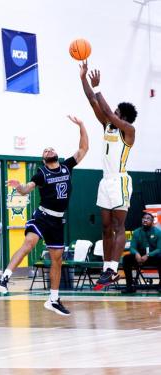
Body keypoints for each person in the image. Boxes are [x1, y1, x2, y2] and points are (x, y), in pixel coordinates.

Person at [0, 116, 89, 316]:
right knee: (29, 244)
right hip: (42, 217)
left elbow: (83, 149)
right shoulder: (41, 173)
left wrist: (81, 126)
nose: (49, 150)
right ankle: (5, 278)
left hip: (58, 220)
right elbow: (26, 189)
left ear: (56, 154)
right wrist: (18, 186)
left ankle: (53, 299)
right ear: (43, 159)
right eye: (45, 150)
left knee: (57, 260)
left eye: (51, 148)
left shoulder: (67, 166)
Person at [80, 62, 138, 290]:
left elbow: (107, 112)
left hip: (120, 181)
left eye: (116, 112)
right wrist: (84, 79)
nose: (111, 112)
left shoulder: (129, 131)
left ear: (123, 116)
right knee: (105, 227)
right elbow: (93, 102)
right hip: (105, 180)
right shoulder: (108, 126)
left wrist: (99, 86)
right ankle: (106, 270)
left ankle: (113, 268)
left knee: (118, 225)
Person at [121, 212, 161, 294]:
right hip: (140, 257)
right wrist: (136, 254)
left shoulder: (158, 232)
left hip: (153, 257)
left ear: (152, 222)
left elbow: (159, 249)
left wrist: (149, 255)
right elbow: (132, 247)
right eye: (144, 218)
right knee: (126, 258)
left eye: (148, 219)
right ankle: (130, 286)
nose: (145, 220)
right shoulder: (136, 232)